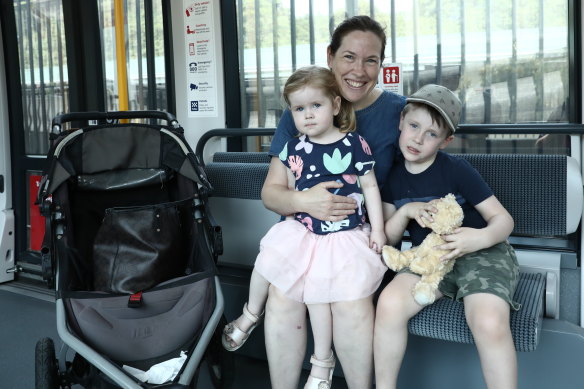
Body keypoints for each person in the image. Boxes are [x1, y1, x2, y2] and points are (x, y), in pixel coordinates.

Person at [261, 15, 406, 389]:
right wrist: (305, 201)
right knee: (282, 295)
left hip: (361, 239)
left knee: (351, 301)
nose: (359, 70)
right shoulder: (302, 110)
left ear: (380, 65)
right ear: (330, 56)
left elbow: (420, 177)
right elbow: (271, 193)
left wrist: (386, 226)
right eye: (349, 57)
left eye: (371, 60)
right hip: (306, 236)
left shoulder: (398, 113)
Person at [222, 65, 387, 389]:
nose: (308, 115)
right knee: (269, 262)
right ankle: (250, 314)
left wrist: (378, 231)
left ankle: (321, 364)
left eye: (316, 106)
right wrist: (292, 221)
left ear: (335, 105)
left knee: (324, 295)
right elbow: (288, 192)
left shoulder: (355, 144)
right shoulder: (293, 147)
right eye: (299, 109)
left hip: (344, 235)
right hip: (306, 231)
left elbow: (370, 188)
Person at [374, 84, 520, 389]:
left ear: (445, 141)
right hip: (430, 258)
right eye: (414, 126)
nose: (418, 138)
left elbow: (504, 220)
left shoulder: (457, 170)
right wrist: (404, 212)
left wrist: (478, 239)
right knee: (388, 303)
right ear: (401, 121)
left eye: (431, 134)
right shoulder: (392, 177)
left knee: (488, 321)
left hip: (482, 252)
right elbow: (386, 239)